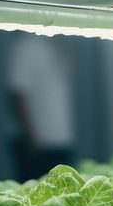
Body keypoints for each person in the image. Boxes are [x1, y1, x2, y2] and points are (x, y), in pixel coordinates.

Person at [7, 32, 77, 182]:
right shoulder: (28, 45)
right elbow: (16, 92)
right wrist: (31, 137)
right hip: (37, 143)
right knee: (33, 194)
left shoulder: (56, 45)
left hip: (60, 140)